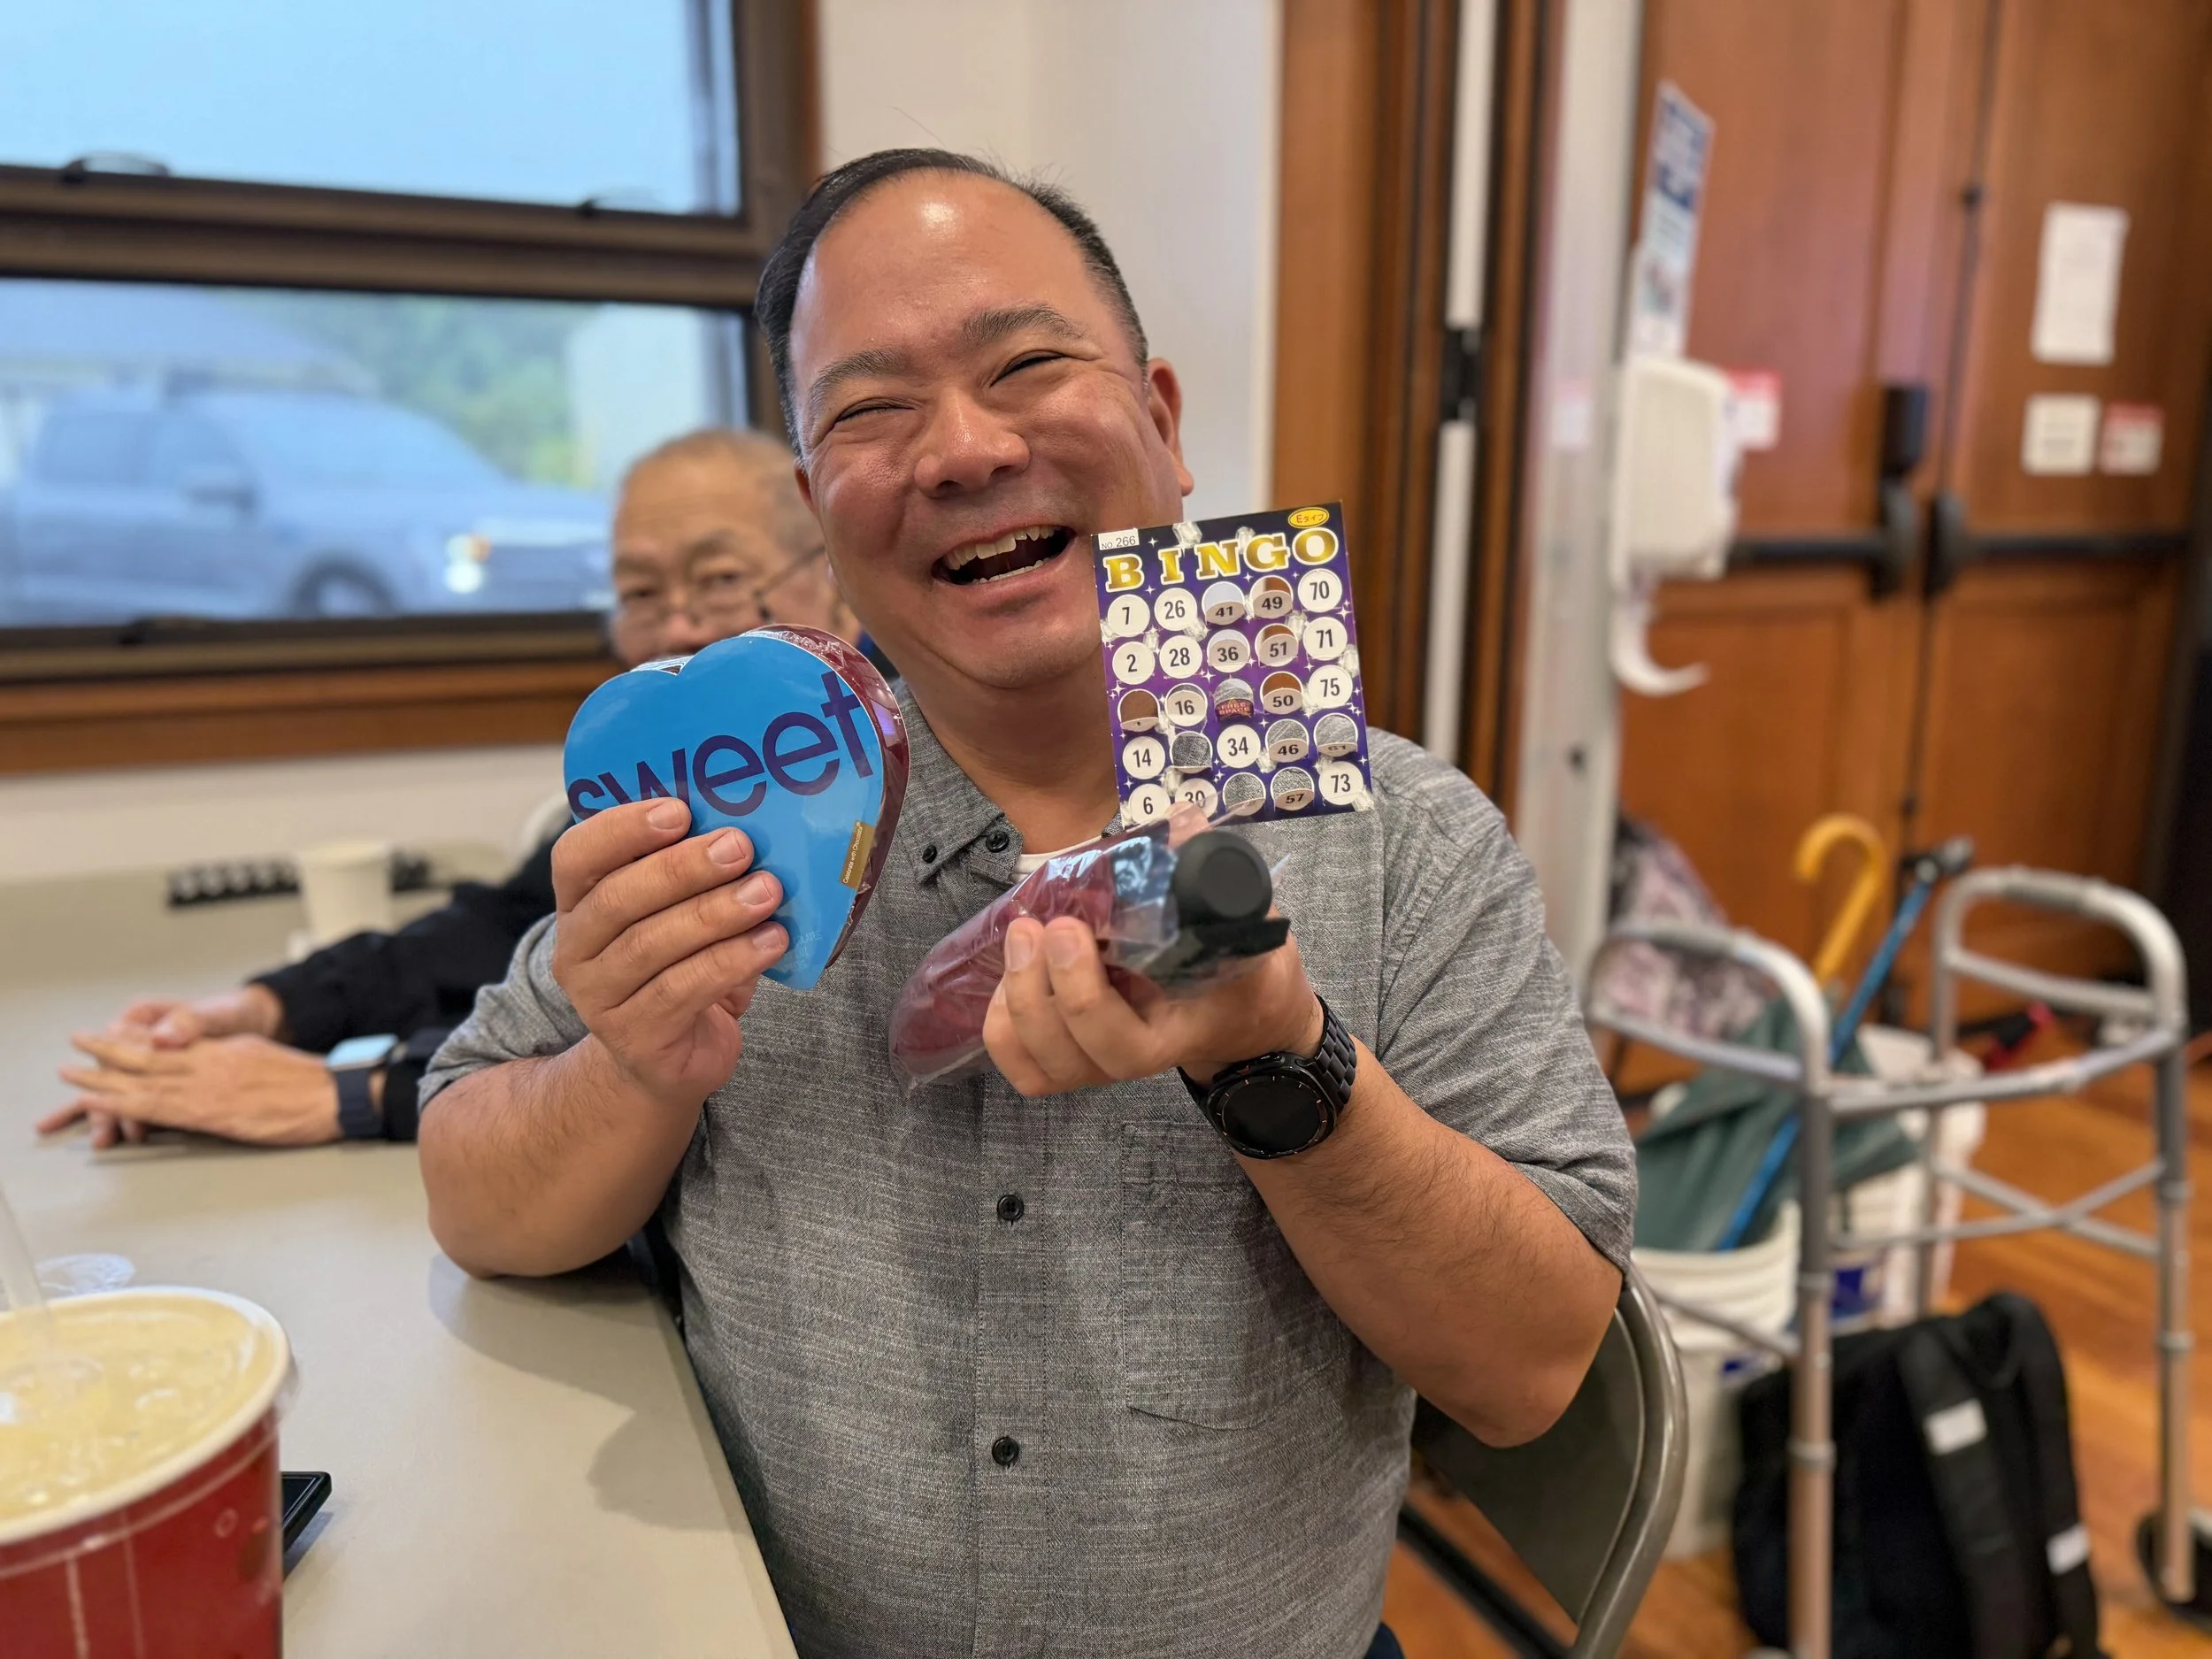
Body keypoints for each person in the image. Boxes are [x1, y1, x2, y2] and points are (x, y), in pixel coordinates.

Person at [416, 150, 1634, 1659]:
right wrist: (636, 1067)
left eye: (1028, 366)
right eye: (869, 412)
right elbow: (474, 1199)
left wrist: (1275, 1055)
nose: (963, 448)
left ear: (1163, 422)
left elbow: (1534, 1367)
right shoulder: (751, 810)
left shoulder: (1404, 835)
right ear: (818, 508)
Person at [41, 428, 856, 1150]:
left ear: (832, 575)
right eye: (641, 592)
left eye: (720, 578)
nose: (677, 626)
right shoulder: (668, 778)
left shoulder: (864, 785)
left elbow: (714, 1050)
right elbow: (504, 932)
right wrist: (264, 1008)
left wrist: (352, 1095)